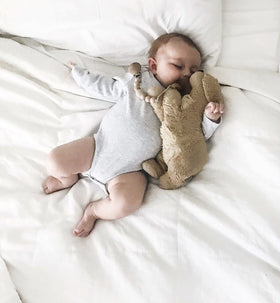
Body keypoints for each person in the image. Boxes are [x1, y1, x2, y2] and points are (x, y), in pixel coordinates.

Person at [43, 33, 224, 237]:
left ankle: (94, 211)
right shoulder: (137, 83)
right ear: (153, 66)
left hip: (132, 170)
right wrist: (79, 73)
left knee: (126, 203)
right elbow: (105, 87)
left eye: (193, 70)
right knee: (55, 161)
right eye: (177, 66)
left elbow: (194, 136)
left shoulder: (188, 102)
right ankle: (65, 180)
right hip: (98, 148)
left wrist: (211, 118)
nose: (186, 74)